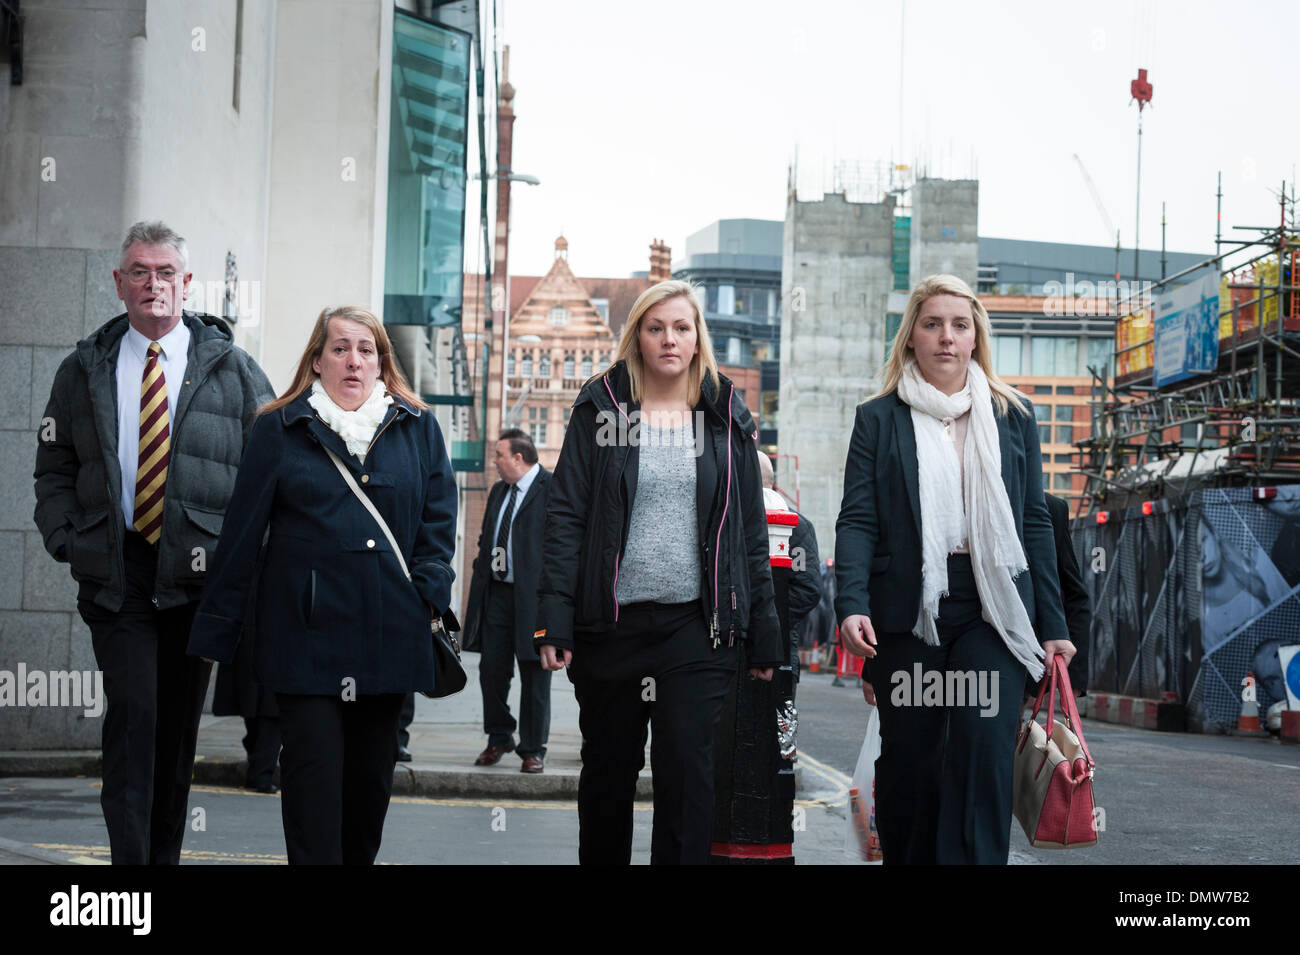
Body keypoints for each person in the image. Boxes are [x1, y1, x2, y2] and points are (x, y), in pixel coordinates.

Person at [33, 220, 275, 864]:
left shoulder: (236, 372)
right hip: (120, 573)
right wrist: (67, 538)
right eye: (139, 272)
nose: (153, 284)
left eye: (166, 272)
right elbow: (53, 464)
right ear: (119, 284)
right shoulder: (84, 367)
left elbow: (271, 474)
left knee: (175, 733)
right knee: (135, 715)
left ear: (186, 283)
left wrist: (243, 562)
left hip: (198, 577)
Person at [187, 306, 457, 865]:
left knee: (368, 794)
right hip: (306, 640)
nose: (353, 360)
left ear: (382, 363)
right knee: (312, 792)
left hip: (390, 637)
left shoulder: (418, 425)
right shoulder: (278, 427)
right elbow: (241, 535)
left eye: (366, 349)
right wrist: (216, 633)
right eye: (340, 348)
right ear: (317, 360)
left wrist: (428, 591)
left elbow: (438, 523)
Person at [536, 279, 783, 865]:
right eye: (655, 328)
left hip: (697, 632)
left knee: (688, 780)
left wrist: (766, 631)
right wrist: (553, 619)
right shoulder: (602, 408)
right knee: (607, 777)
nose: (669, 339)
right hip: (611, 627)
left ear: (698, 338)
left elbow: (750, 527)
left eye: (681, 327)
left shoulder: (725, 416)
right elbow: (565, 516)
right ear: (637, 338)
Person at [835, 273, 1074, 865]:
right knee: (912, 763)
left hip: (993, 607)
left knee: (983, 754)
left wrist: (1053, 623)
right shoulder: (878, 419)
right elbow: (858, 520)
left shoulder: (1012, 416)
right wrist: (851, 603)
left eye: (960, 325)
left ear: (975, 339)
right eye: (932, 323)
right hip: (912, 608)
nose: (947, 336)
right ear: (911, 336)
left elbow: (1035, 524)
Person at [462, 429, 553, 773]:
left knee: (535, 674)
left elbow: (561, 547)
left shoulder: (552, 487)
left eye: (499, 455)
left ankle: (533, 748)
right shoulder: (499, 490)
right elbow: (488, 538)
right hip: (498, 595)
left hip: (535, 599)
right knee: (491, 671)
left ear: (518, 458)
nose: (494, 462)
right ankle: (499, 736)